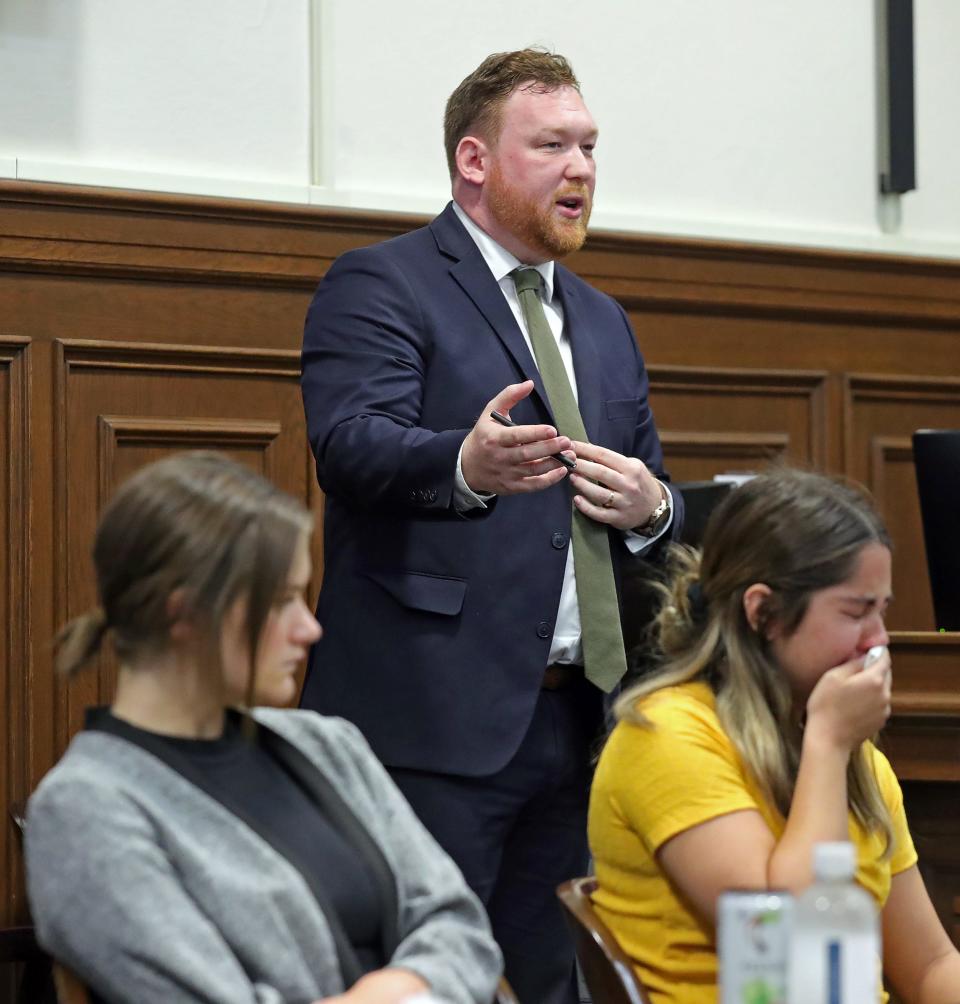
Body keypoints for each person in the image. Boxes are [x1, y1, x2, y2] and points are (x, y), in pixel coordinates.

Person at [298, 48, 682, 1003]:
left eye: (590, 146)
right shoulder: (383, 282)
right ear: (475, 161)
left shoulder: (604, 321)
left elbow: (654, 487)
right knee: (425, 979)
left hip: (579, 717)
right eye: (551, 145)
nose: (582, 168)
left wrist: (654, 508)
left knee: (556, 982)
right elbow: (350, 446)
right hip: (434, 722)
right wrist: (463, 465)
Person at [24, 452, 501, 1004]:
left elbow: (460, 924)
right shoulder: (86, 809)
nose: (310, 628)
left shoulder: (327, 744)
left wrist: (386, 990)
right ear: (184, 615)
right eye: (280, 603)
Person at [588, 467, 960, 1003]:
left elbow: (929, 967)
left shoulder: (857, 761)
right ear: (763, 612)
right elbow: (785, 948)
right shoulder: (668, 735)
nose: (878, 642)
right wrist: (829, 744)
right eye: (856, 612)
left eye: (883, 612)